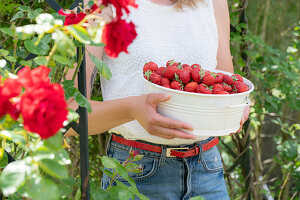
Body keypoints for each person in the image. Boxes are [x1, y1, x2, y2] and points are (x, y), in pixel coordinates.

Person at [66, 0, 250, 199]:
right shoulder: (100, 4)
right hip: (136, 171)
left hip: (207, 170)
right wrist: (130, 109)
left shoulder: (213, 2)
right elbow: (67, 115)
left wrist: (236, 107)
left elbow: (227, 87)